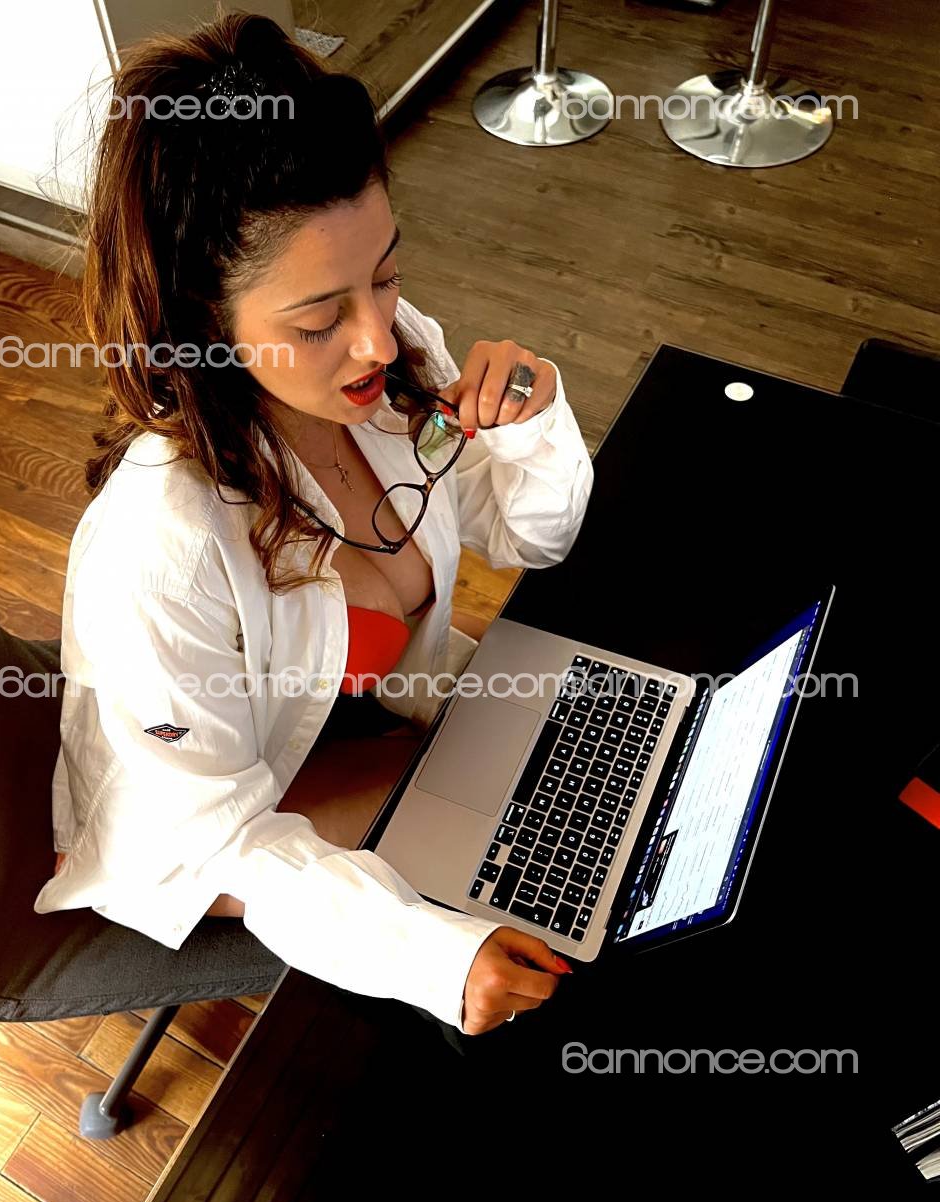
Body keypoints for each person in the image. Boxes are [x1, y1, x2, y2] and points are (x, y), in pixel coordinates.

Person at [35, 12, 594, 1036]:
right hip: (205, 829)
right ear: (203, 322)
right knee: (538, 862)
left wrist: (533, 422)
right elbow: (214, 837)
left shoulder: (391, 362)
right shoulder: (162, 552)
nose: (378, 336)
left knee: (579, 776)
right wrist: (427, 956)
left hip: (370, 721)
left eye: (385, 273)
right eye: (319, 319)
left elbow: (535, 539)